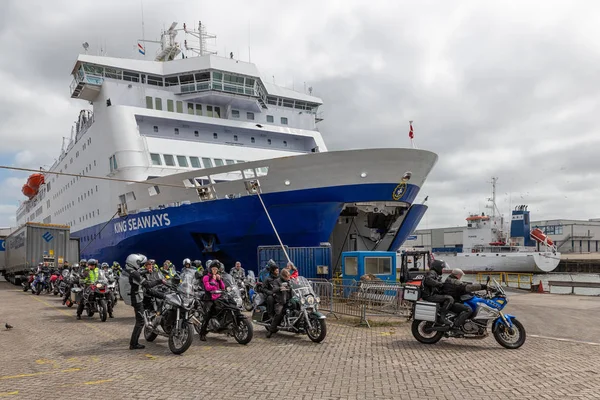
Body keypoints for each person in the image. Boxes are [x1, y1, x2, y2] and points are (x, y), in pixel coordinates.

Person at [126, 254, 166, 350]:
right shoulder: (134, 273)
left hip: (136, 296)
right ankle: (133, 344)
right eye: (139, 263)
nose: (140, 264)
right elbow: (147, 285)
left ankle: (134, 343)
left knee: (140, 321)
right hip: (137, 298)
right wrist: (160, 281)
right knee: (140, 321)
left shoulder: (131, 270)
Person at [198, 261, 225, 341]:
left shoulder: (217, 276)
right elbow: (208, 288)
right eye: (213, 269)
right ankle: (202, 333)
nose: (215, 271)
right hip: (208, 298)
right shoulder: (206, 277)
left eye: (216, 269)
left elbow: (223, 287)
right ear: (210, 269)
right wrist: (213, 280)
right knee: (207, 315)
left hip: (217, 297)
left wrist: (219, 280)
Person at [421, 259, 453, 325]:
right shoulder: (432, 272)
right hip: (429, 295)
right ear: (438, 267)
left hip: (430, 294)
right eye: (442, 268)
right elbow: (429, 280)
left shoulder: (434, 273)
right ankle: (442, 317)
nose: (442, 270)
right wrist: (439, 284)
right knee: (449, 299)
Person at [266, 269, 293, 338]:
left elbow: (293, 287)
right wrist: (280, 288)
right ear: (283, 276)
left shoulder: (289, 281)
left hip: (288, 299)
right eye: (287, 276)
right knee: (279, 314)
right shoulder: (277, 281)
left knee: (297, 306)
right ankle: (271, 331)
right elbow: (274, 289)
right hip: (280, 301)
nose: (288, 278)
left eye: (288, 276)